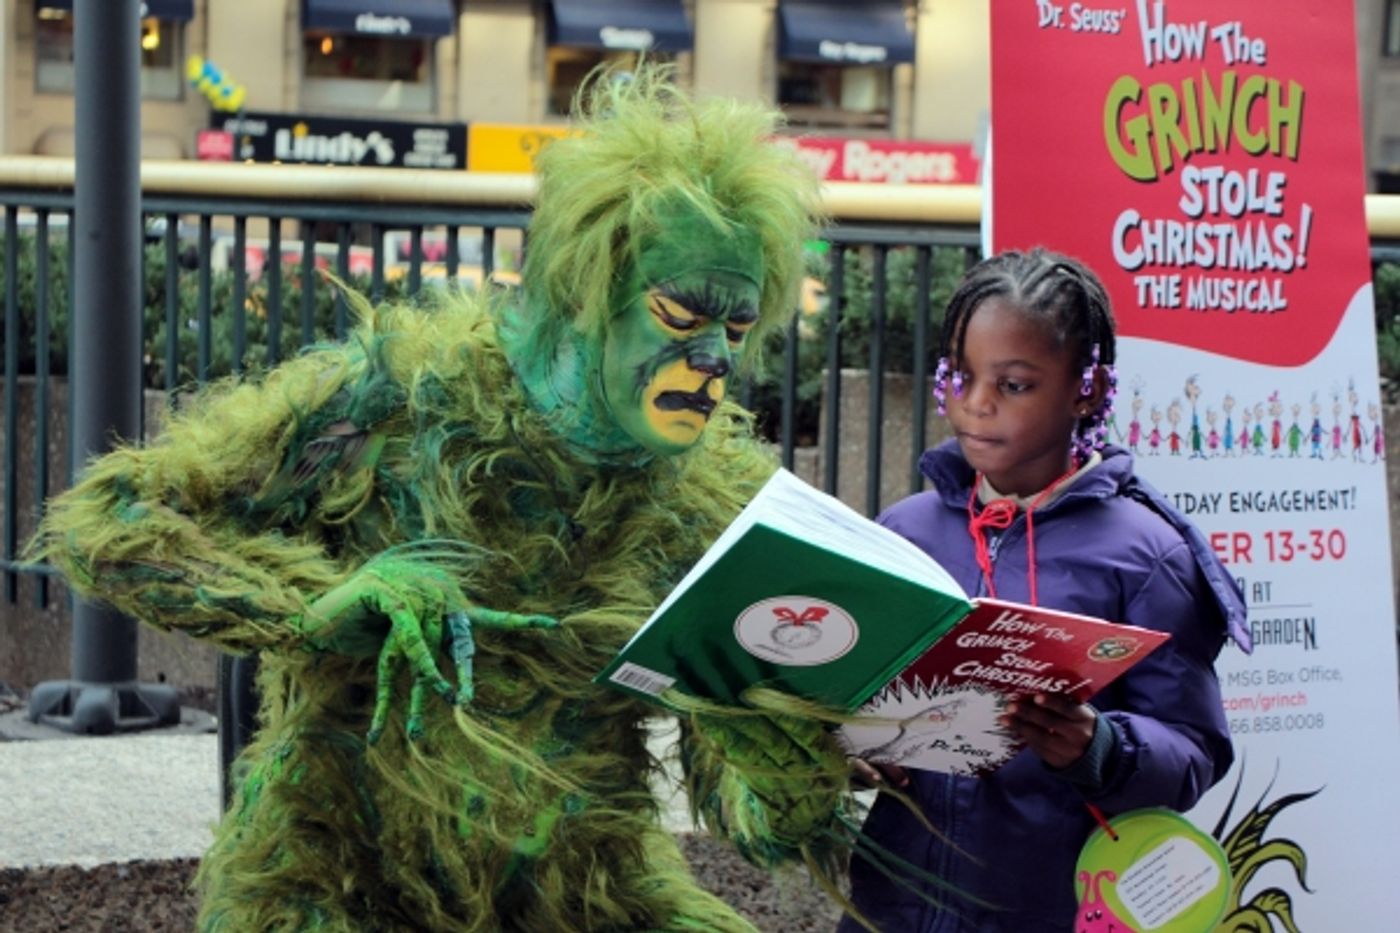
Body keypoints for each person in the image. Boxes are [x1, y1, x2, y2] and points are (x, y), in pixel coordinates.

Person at [33, 67, 856, 932]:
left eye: (738, 325)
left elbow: (749, 815)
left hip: (584, 890)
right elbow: (114, 517)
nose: (719, 356)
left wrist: (791, 773)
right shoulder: (397, 398)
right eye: (682, 315)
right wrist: (310, 610)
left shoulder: (716, 504)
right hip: (337, 873)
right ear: (585, 290)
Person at [842, 248, 1251, 932]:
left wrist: (1099, 746)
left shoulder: (1146, 555)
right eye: (962, 375)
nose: (975, 404)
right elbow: (846, 696)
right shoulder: (904, 530)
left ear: (1085, 388)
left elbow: (1193, 753)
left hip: (1051, 908)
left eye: (1014, 384)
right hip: (889, 905)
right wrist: (850, 749)